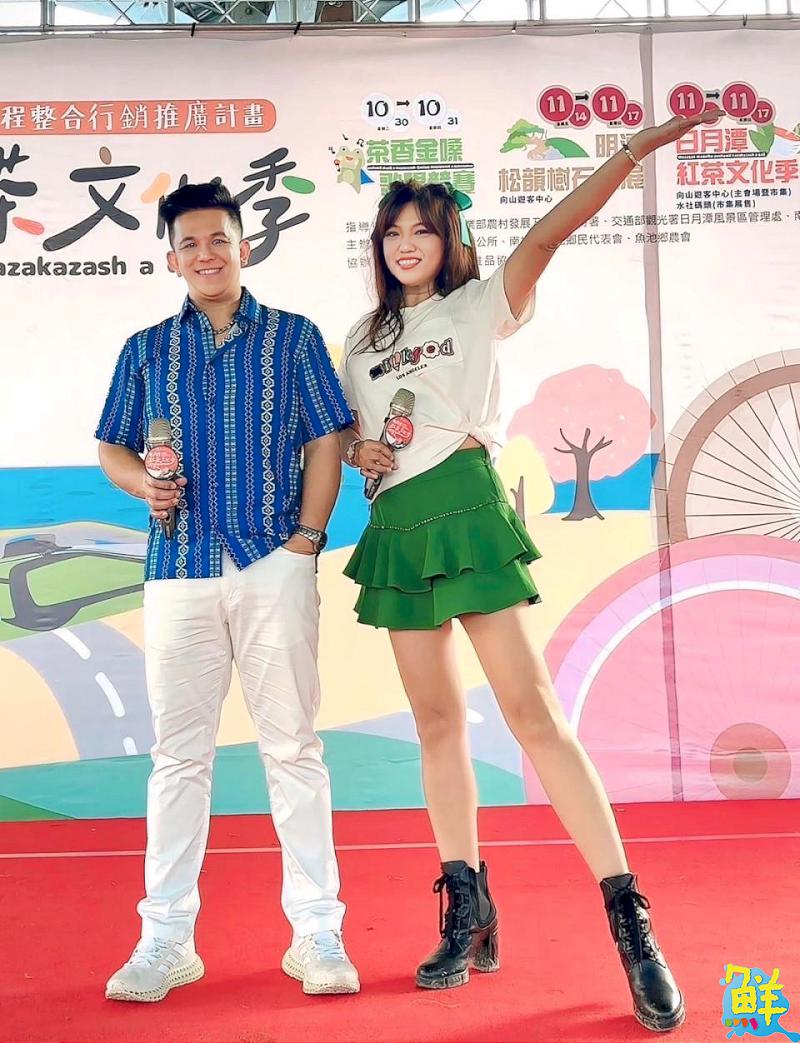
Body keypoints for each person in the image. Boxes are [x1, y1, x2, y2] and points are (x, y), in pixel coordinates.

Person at [337, 111, 721, 1031]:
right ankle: (466, 904)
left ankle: (630, 920)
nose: (405, 244)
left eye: (423, 229)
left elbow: (550, 233)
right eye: (392, 232)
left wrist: (633, 150)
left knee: (533, 714)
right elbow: (356, 428)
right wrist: (359, 450)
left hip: (467, 510)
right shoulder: (360, 337)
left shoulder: (480, 304)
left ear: (450, 240)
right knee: (435, 723)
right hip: (398, 523)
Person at [96, 182, 359, 1002]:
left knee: (294, 748)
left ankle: (317, 932)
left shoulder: (293, 337)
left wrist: (306, 540)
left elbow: (327, 437)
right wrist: (143, 484)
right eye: (190, 244)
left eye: (219, 239)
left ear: (245, 247)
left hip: (272, 560)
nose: (206, 254)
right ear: (171, 258)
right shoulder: (145, 349)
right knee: (178, 757)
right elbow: (112, 448)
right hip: (177, 568)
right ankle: (165, 939)